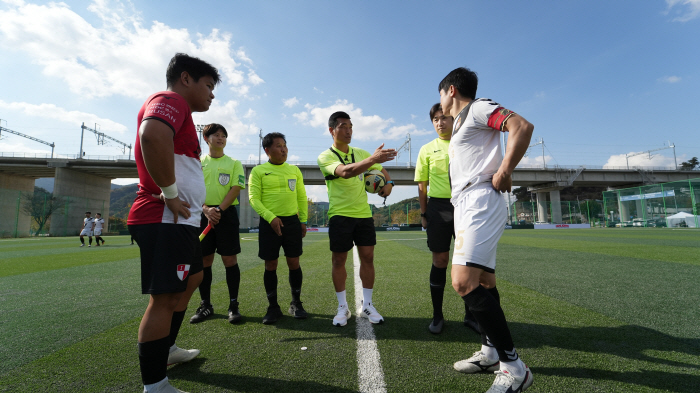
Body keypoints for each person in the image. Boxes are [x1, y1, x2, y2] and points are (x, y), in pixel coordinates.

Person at [128, 53, 220, 393]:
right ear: (186, 79)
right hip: (164, 217)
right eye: (208, 86)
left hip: (181, 221)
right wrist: (169, 193)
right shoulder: (170, 100)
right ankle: (155, 386)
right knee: (164, 297)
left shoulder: (181, 111)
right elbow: (151, 135)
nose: (212, 94)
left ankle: (166, 349)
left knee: (193, 277)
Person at [438, 67, 534, 392]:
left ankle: (514, 368)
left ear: (451, 90)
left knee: (463, 283)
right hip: (465, 204)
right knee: (484, 282)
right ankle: (490, 353)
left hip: (480, 199)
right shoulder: (461, 124)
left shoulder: (478, 108)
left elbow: (521, 126)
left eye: (440, 95)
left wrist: (506, 169)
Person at [317, 111, 397, 326]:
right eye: (343, 126)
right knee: (338, 260)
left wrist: (389, 185)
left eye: (351, 126)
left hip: (363, 215)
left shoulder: (360, 152)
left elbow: (383, 171)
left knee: (368, 258)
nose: (349, 130)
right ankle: (343, 307)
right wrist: (372, 159)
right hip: (340, 215)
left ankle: (367, 305)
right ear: (332, 130)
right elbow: (345, 172)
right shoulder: (325, 157)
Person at [415, 104, 480, 335]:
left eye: (444, 118)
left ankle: (470, 316)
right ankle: (437, 315)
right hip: (438, 208)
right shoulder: (426, 149)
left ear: (455, 120)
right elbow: (422, 185)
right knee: (440, 260)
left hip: (465, 205)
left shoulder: (465, 143)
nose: (440, 122)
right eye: (435, 119)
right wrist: (424, 214)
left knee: (468, 262)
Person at [188, 123, 246, 325]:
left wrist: (218, 210)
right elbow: (192, 189)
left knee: (230, 260)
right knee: (205, 262)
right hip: (202, 213)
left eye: (223, 135)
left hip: (226, 215)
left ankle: (233, 305)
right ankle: (206, 305)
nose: (220, 138)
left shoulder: (234, 163)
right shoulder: (197, 162)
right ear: (206, 139)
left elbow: (236, 188)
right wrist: (205, 209)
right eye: (216, 135)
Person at [249, 132, 309, 324]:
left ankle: (296, 303)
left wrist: (303, 220)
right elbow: (254, 199)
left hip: (292, 222)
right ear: (267, 150)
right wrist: (270, 217)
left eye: (284, 145)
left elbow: (301, 196)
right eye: (278, 145)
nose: (283, 149)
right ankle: (273, 307)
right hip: (269, 224)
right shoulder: (258, 171)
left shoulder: (294, 170)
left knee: (294, 262)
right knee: (271, 264)